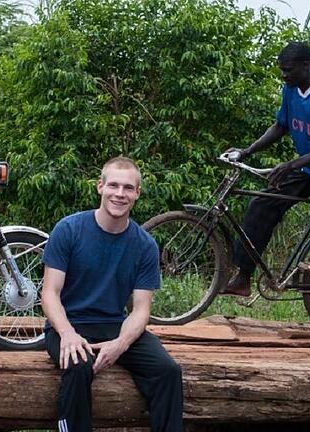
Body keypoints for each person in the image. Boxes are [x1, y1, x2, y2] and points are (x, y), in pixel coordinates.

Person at [221, 42, 310, 334]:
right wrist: (247, 152)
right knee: (262, 204)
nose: (283, 76)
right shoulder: (291, 90)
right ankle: (244, 277)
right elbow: (280, 126)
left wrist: (292, 164)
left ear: (305, 66)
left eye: (288, 71)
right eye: (282, 71)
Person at [41, 157, 184, 432]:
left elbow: (141, 310)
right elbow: (49, 293)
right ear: (100, 187)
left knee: (168, 371)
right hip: (68, 324)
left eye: (128, 188)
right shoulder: (69, 229)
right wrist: (68, 334)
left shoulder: (144, 245)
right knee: (78, 365)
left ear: (137, 193)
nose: (120, 194)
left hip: (114, 326)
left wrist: (120, 344)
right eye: (114, 186)